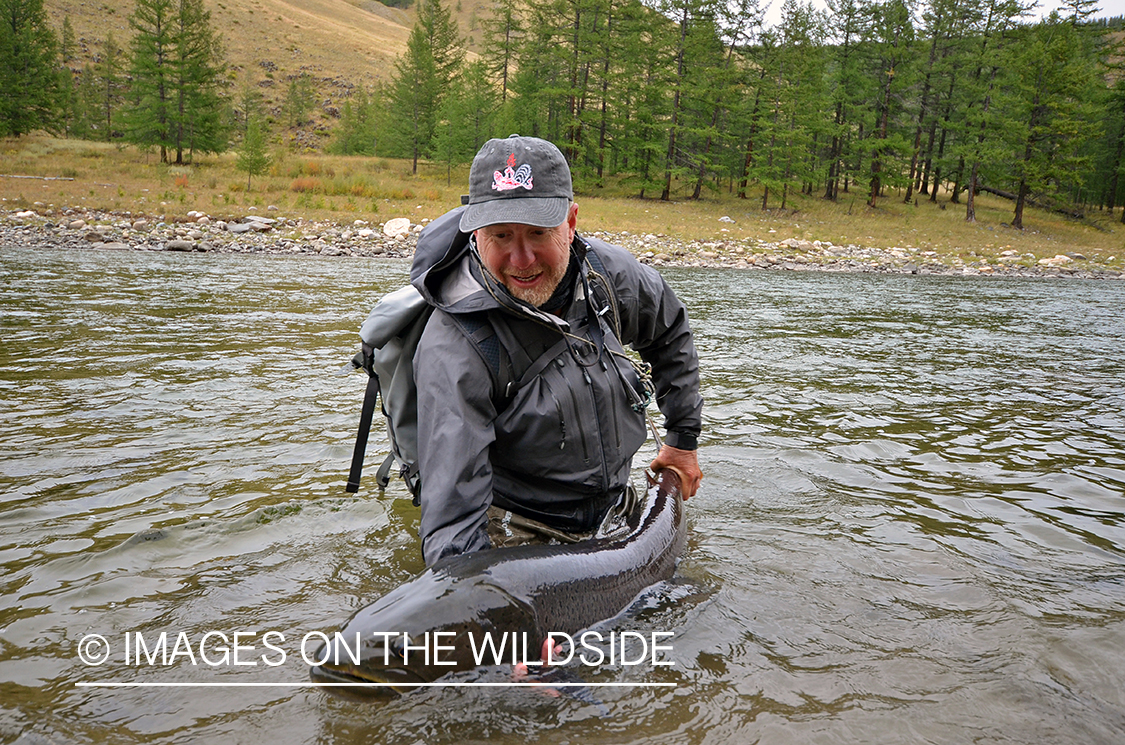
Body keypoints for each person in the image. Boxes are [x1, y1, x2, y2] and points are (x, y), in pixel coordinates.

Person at [411, 135, 703, 566]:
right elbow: (453, 518)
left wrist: (682, 439)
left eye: (538, 233)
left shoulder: (610, 276)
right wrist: (482, 610)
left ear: (571, 221)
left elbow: (669, 331)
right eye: (500, 236)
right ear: (474, 233)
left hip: (615, 510)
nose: (522, 258)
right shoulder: (455, 345)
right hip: (519, 529)